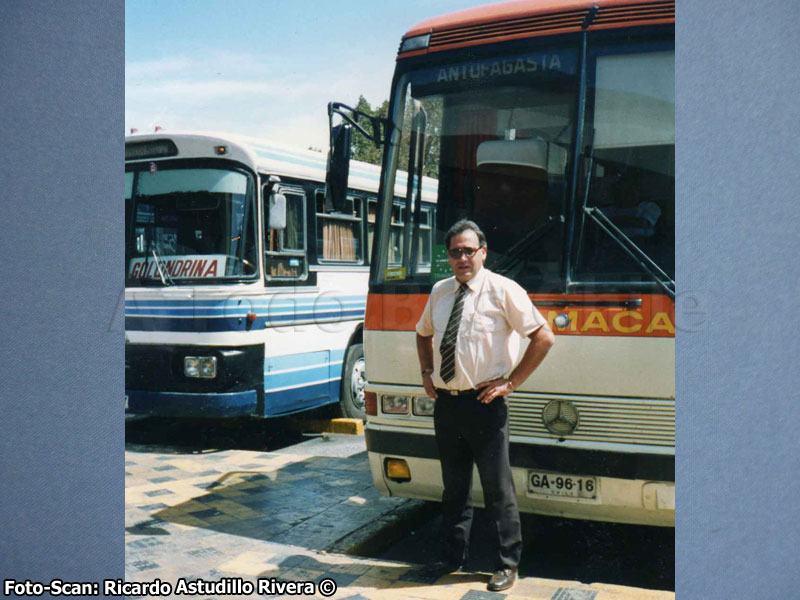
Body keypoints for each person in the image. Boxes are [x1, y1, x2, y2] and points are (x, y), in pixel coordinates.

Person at [415, 219, 555, 592]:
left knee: (497, 489)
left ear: (483, 252)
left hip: (484, 404)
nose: (462, 258)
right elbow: (422, 332)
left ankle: (507, 565)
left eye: (469, 250)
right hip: (447, 404)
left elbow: (544, 337)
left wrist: (512, 382)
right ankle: (451, 558)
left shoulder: (503, 290)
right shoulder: (440, 292)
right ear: (448, 257)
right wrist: (427, 372)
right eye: (455, 252)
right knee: (454, 487)